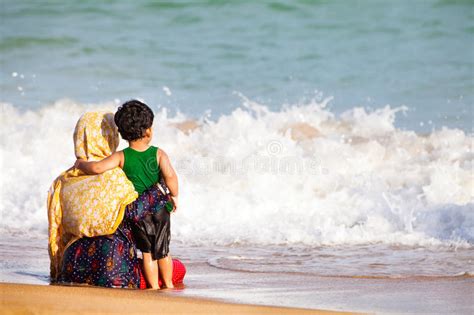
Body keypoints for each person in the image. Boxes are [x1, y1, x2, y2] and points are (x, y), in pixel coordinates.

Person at [48, 111, 185, 289]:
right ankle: (163, 286)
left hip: (72, 266)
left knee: (147, 255)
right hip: (112, 270)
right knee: (177, 267)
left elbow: (57, 231)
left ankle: (154, 285)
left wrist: (80, 164)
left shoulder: (66, 180)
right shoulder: (116, 177)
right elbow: (134, 212)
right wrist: (163, 191)